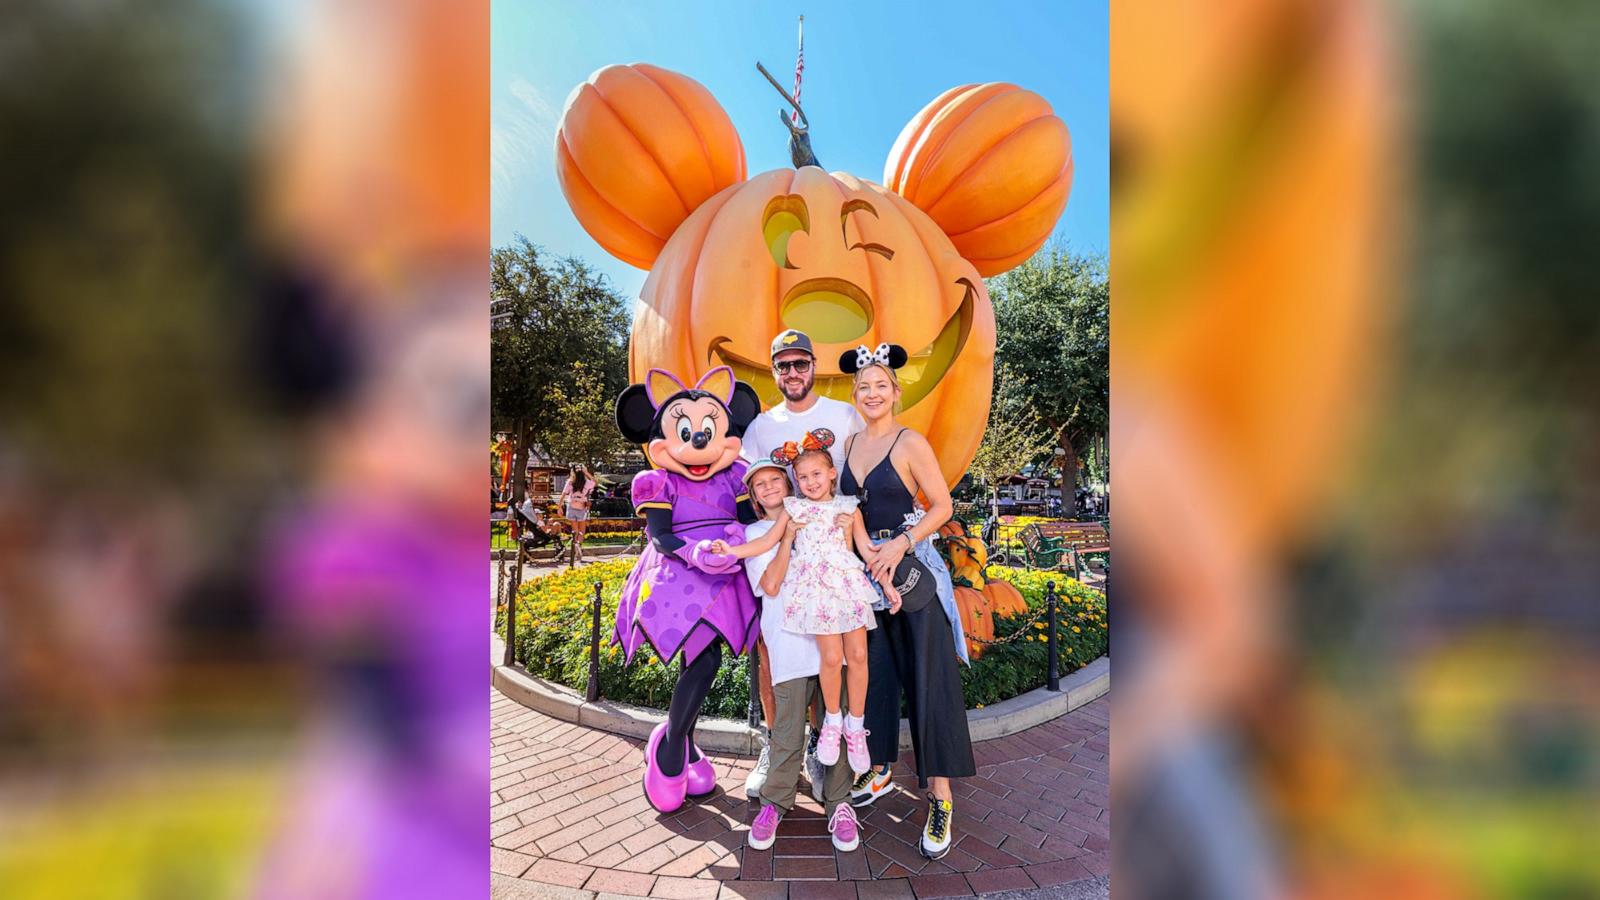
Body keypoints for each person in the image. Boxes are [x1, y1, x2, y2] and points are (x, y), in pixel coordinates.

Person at [837, 342, 975, 860]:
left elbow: (942, 505)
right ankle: (878, 771)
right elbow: (845, 506)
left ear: (895, 393)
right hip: (864, 581)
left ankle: (940, 796)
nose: (872, 393)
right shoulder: (848, 444)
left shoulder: (910, 441)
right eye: (864, 387)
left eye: (881, 386)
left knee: (928, 682)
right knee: (872, 678)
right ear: (855, 394)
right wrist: (865, 549)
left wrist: (900, 543)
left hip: (913, 577)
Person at [612, 367, 763, 813]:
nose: (698, 442)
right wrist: (696, 553)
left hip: (726, 573)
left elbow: (750, 521)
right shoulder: (660, 481)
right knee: (702, 659)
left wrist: (740, 543)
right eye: (685, 430)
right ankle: (673, 747)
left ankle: (680, 742)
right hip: (678, 576)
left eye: (708, 430)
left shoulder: (733, 477)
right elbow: (660, 535)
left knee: (704, 659)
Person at [710, 430, 901, 776]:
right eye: (803, 477)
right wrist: (733, 550)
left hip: (847, 587)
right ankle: (831, 722)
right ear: (795, 483)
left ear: (831, 474)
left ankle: (855, 727)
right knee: (831, 658)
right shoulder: (793, 510)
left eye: (817, 474)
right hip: (815, 592)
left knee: (857, 657)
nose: (811, 482)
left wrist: (887, 584)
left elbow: (867, 550)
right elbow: (767, 540)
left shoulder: (849, 509)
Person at [740, 329, 866, 798]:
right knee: (774, 657)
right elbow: (752, 486)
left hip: (831, 563)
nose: (792, 372)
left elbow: (859, 476)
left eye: (800, 363)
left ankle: (820, 747)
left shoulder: (843, 415)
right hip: (782, 549)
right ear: (773, 371)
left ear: (814, 365)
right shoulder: (761, 428)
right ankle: (776, 745)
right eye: (783, 365)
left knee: (826, 659)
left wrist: (858, 534)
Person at [735, 458, 860, 853]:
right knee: (787, 730)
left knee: (833, 723)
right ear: (754, 497)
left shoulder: (818, 516)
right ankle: (775, 804)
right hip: (789, 643)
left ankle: (839, 803)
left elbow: (849, 562)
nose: (770, 487)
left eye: (776, 480)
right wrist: (786, 537)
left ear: (790, 487)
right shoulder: (756, 532)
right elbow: (770, 585)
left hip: (830, 640)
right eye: (760, 485)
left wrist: (845, 531)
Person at [559, 464, 596, 564]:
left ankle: (576, 552)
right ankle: (579, 544)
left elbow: (563, 494)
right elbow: (594, 482)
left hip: (571, 507)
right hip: (581, 507)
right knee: (582, 531)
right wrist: (586, 472)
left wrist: (559, 507)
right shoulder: (587, 482)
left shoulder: (570, 482)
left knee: (574, 531)